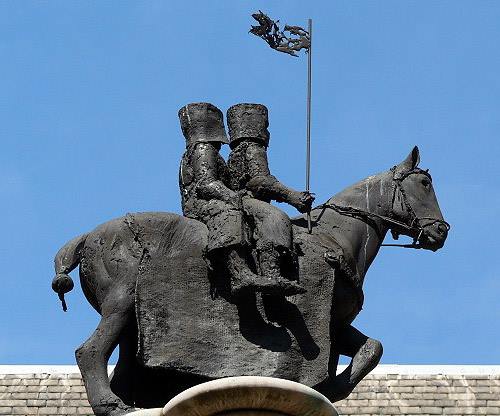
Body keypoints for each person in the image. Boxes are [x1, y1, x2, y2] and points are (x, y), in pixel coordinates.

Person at [178, 102, 300, 297]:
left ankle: (268, 272)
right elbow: (206, 183)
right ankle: (240, 274)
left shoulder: (212, 152)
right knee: (230, 213)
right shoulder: (203, 149)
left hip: (212, 198)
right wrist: (234, 198)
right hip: (200, 203)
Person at [227, 103, 314, 293]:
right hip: (246, 199)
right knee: (275, 218)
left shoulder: (237, 151)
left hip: (241, 199)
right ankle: (271, 273)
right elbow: (261, 181)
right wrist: (294, 197)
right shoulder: (253, 148)